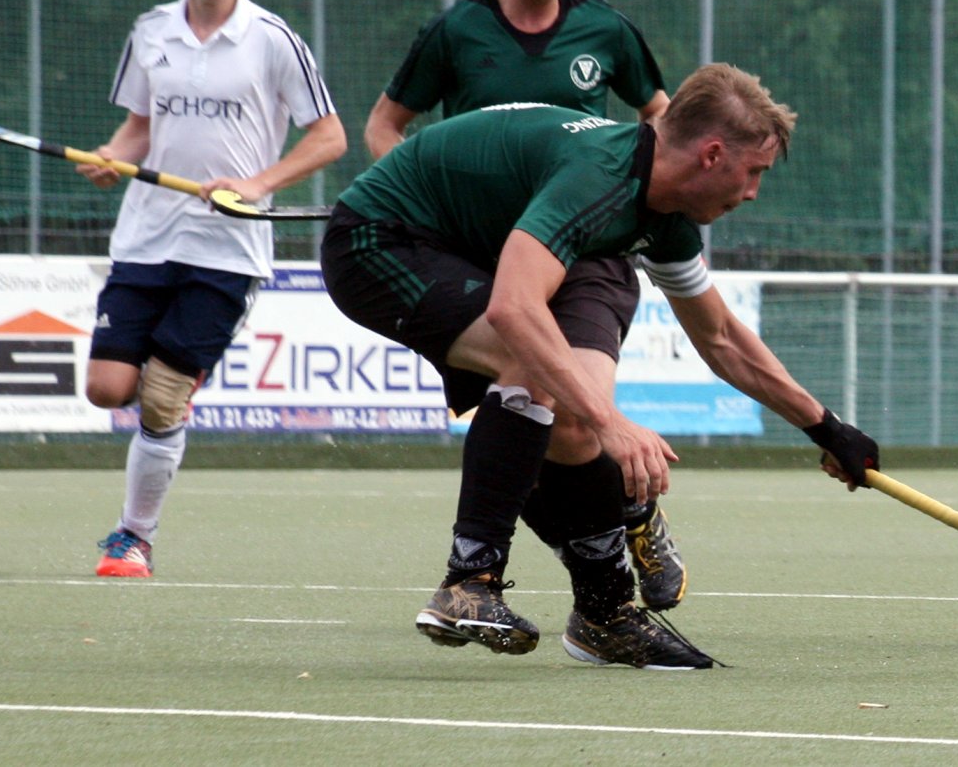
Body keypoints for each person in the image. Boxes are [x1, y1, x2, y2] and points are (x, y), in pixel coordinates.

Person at [322, 62, 879, 670]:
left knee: (575, 414)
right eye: (755, 173)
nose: (752, 193)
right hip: (380, 242)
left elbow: (720, 337)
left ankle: (604, 616)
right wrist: (613, 422)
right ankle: (469, 583)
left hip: (491, 243)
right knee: (536, 367)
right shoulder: (599, 177)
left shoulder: (664, 214)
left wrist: (826, 428)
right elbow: (514, 308)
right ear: (713, 155)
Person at [362, 0, 688, 611]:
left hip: (583, 255)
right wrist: (414, 201)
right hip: (492, 259)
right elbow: (386, 127)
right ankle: (613, 540)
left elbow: (663, 121)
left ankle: (607, 548)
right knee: (536, 423)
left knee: (562, 406)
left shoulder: (605, 30)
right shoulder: (456, 33)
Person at [81, 0, 348, 578]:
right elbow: (139, 124)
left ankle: (132, 537)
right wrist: (114, 155)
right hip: (145, 237)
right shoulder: (150, 32)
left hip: (227, 249)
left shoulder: (273, 40)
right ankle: (160, 414)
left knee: (164, 394)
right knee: (109, 389)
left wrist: (257, 185)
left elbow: (329, 137)